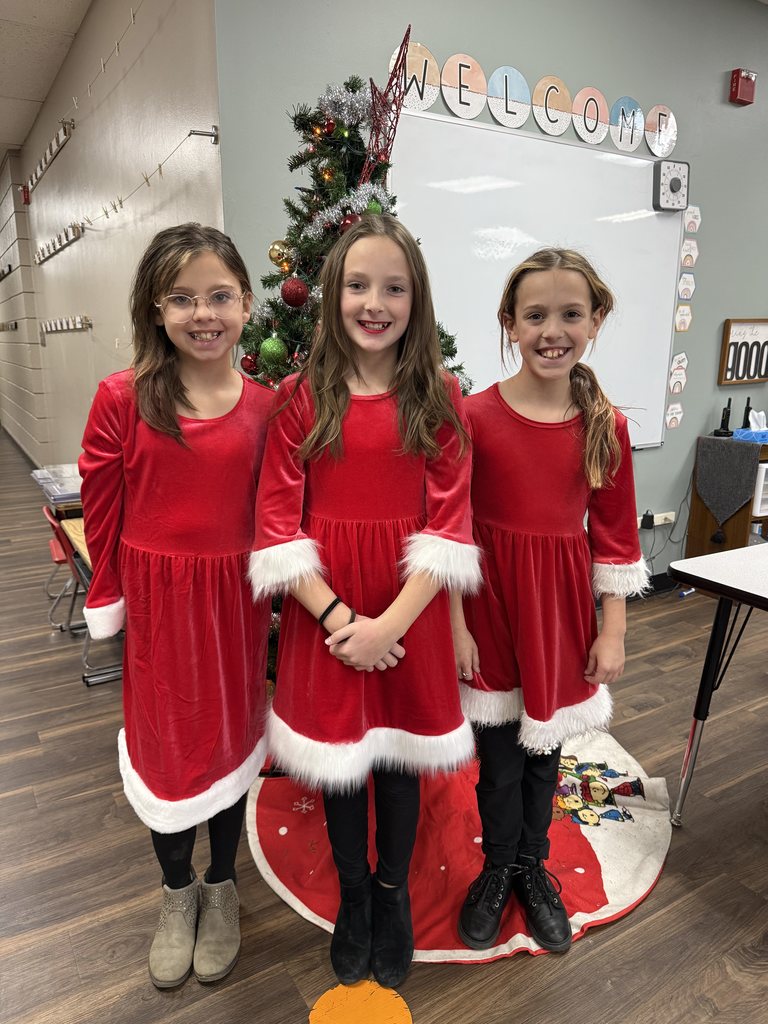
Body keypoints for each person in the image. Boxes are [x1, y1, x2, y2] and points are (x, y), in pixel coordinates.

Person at [248, 214, 481, 988]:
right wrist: (344, 622)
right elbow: (277, 529)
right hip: (329, 618)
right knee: (342, 765)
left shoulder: (440, 397)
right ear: (332, 295)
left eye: (393, 288)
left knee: (399, 762)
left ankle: (391, 895)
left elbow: (449, 527)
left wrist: (389, 627)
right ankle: (355, 896)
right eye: (357, 285)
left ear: (417, 300)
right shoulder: (298, 398)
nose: (374, 303)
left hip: (407, 615)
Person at [79, 223, 273, 988]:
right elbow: (101, 511)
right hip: (160, 610)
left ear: (247, 304)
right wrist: (110, 599)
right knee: (164, 752)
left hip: (233, 610)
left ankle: (221, 886)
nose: (203, 314)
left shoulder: (268, 408)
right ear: (156, 309)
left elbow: (283, 514)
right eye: (182, 298)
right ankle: (176, 889)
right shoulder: (122, 399)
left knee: (229, 743)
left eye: (219, 296)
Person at [452, 248, 649, 954]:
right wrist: (455, 625)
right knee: (498, 757)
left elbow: (616, 539)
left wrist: (612, 630)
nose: (552, 331)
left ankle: (532, 869)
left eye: (570, 314)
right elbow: (449, 529)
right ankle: (497, 866)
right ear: (509, 323)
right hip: (490, 610)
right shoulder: (472, 417)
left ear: (595, 321)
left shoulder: (605, 426)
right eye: (535, 315)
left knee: (543, 755)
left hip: (559, 616)